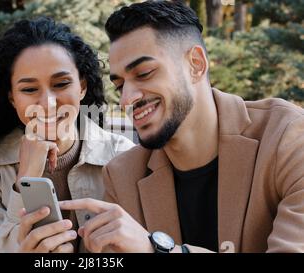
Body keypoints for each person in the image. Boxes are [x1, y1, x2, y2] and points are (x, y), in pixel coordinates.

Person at [60, 0, 304, 253]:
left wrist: (158, 249)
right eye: (120, 85)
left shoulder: (288, 137)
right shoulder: (123, 176)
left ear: (196, 64)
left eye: (144, 73)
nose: (126, 99)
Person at [0, 17, 134, 253]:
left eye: (61, 83)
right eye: (30, 89)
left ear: (82, 87)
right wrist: (25, 180)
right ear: (12, 98)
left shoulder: (123, 157)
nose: (48, 103)